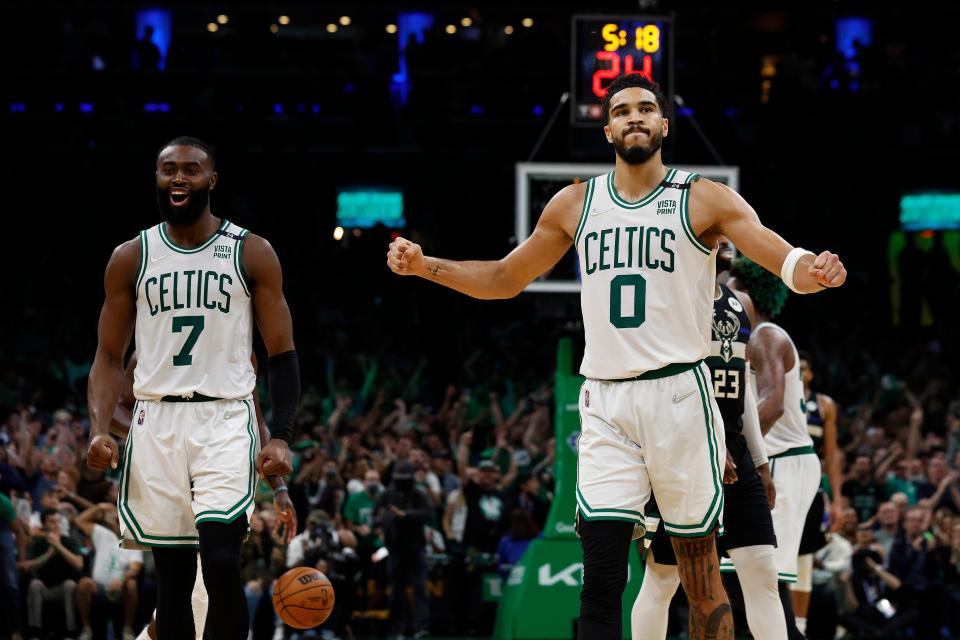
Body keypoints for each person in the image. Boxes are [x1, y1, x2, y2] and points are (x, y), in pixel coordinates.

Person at [387, 72, 845, 640]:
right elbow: (506, 278)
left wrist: (811, 270)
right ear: (607, 130)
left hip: (681, 394)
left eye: (646, 108)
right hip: (606, 400)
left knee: (700, 580)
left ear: (663, 125)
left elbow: (774, 252)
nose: (635, 116)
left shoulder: (701, 196)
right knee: (602, 576)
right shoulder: (575, 204)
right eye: (622, 110)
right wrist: (426, 266)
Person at [86, 136, 298, 640]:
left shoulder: (251, 252)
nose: (178, 178)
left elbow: (282, 353)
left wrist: (282, 434)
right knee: (173, 584)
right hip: (156, 422)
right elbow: (109, 356)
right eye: (167, 170)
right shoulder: (130, 256)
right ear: (156, 178)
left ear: (212, 179)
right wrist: (98, 429)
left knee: (222, 562)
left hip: (225, 418)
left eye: (191, 169)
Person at [632, 239, 786, 640]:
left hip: (735, 454)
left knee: (762, 573)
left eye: (724, 232)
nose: (724, 240)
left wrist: (762, 461)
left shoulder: (741, 303)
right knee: (663, 581)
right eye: (712, 233)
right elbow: (669, 387)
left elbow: (745, 389)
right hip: (684, 452)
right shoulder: (671, 300)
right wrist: (711, 442)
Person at [108, 352, 296, 640]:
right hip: (167, 467)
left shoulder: (238, 345)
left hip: (219, 473)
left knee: (217, 572)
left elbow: (256, 426)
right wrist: (156, 436)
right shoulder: (153, 342)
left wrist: (279, 488)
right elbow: (116, 409)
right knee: (177, 593)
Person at [733, 257, 822, 639]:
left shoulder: (766, 335)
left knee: (763, 581)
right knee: (747, 581)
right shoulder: (745, 336)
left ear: (751, 291)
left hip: (783, 462)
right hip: (773, 460)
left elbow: (771, 403)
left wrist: (735, 448)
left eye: (731, 286)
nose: (722, 293)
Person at [793, 351, 841, 634]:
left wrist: (837, 498)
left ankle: (799, 628)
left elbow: (833, 456)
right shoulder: (771, 395)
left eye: (804, 368)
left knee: (804, 559)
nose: (799, 372)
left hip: (811, 487)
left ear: (811, 374)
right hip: (779, 483)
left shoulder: (824, 405)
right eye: (795, 367)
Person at [374, 460, 432, 640]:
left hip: (415, 548)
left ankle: (421, 628)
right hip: (395, 548)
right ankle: (397, 629)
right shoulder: (388, 494)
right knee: (396, 591)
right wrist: (381, 524)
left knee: (419, 588)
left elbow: (428, 513)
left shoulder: (418, 494)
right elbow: (376, 515)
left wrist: (405, 515)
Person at [74, 503, 144, 640]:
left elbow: (135, 568)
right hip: (98, 588)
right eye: (117, 520)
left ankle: (127, 629)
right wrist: (99, 507)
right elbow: (79, 521)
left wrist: (121, 579)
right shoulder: (103, 534)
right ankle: (86, 629)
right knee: (84, 583)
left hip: (119, 588)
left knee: (131, 584)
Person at [22, 508, 83, 638]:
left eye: (58, 521)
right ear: (44, 525)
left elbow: (79, 564)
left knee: (70, 585)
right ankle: (35, 632)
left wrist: (59, 546)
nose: (56, 525)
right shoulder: (38, 543)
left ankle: (70, 633)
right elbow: (28, 566)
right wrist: (48, 554)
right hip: (45, 587)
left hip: (63, 587)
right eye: (52, 522)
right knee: (35, 584)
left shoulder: (70, 541)